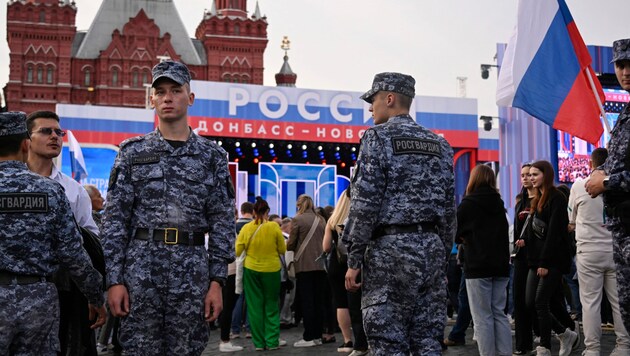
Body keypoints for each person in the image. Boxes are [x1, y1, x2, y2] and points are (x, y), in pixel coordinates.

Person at [102, 60, 235, 355]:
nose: (167, 97)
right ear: (151, 99)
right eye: (160, 91)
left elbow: (223, 221)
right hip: (140, 273)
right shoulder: (132, 153)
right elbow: (114, 221)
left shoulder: (211, 157)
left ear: (190, 98)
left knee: (187, 349)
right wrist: (114, 281)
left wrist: (217, 282)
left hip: (192, 275)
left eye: (175, 90)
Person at [343, 72, 456, 355]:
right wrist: (440, 257)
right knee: (428, 342)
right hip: (430, 252)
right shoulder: (439, 144)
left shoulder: (377, 138)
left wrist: (354, 259)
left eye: (374, 100)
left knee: (388, 343)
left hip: (389, 255)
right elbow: (448, 209)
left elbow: (364, 203)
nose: (371, 108)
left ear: (390, 99)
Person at [0, 111, 106, 355]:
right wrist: (95, 295)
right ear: (26, 144)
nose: (54, 137)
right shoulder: (50, 191)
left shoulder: (68, 189)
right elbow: (73, 253)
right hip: (37, 302)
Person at [586, 38, 630, 338]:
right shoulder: (625, 116)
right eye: (620, 65)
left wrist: (607, 182)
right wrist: (601, 172)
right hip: (622, 225)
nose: (625, 72)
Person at [571, 148, 630, 356]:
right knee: (619, 302)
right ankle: (623, 346)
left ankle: (592, 349)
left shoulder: (579, 186)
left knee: (590, 303)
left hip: (589, 250)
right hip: (616, 248)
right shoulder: (619, 185)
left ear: (590, 164)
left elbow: (570, 221)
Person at [455, 164, 512, 356]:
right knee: (499, 313)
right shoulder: (499, 203)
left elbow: (454, 232)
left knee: (482, 317)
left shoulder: (467, 204)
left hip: (477, 265)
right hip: (501, 265)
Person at [525, 160, 578, 356]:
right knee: (532, 302)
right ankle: (564, 333)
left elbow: (555, 233)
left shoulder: (556, 198)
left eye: (535, 174)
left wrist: (545, 263)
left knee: (540, 302)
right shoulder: (535, 199)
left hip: (552, 260)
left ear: (545, 175)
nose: (531, 178)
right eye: (529, 174)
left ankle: (544, 347)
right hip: (536, 261)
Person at [235, 197, 287, 351]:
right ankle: (272, 341)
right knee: (271, 305)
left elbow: (238, 251)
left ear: (253, 212)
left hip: (251, 270)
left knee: (254, 306)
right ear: (267, 212)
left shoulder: (246, 229)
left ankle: (258, 343)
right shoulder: (274, 227)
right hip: (271, 270)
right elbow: (282, 250)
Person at [322, 188, 368, 354]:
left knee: (340, 303)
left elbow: (326, 247)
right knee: (358, 303)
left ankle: (347, 341)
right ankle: (362, 342)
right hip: (356, 265)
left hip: (336, 264)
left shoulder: (333, 220)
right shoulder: (358, 219)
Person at [287, 194, 327, 348]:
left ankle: (308, 336)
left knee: (307, 301)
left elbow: (291, 243)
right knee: (318, 302)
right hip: (320, 265)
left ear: (299, 205)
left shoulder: (298, 220)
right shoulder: (321, 220)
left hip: (304, 266)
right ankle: (318, 335)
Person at [513, 162, 537, 355]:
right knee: (520, 300)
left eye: (529, 174)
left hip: (538, 257)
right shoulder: (520, 201)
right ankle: (523, 345)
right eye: (523, 175)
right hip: (521, 257)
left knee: (539, 300)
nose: (526, 178)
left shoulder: (543, 199)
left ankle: (564, 330)